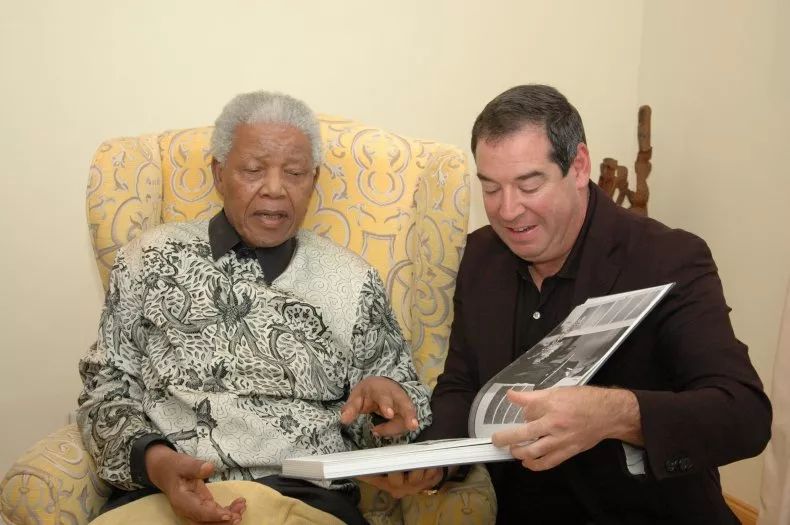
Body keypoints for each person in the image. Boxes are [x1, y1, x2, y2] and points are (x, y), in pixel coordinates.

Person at [364, 85, 771, 524]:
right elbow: (463, 385)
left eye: (528, 185)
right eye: (491, 188)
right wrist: (431, 460)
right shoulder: (481, 256)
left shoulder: (667, 258)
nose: (507, 210)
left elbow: (744, 415)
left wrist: (615, 413)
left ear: (578, 166)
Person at [77, 90, 431, 525]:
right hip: (164, 496)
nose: (275, 189)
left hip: (301, 500)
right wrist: (157, 462)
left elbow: (401, 423)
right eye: (253, 170)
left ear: (314, 180)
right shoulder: (147, 259)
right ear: (219, 174)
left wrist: (384, 406)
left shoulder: (353, 281)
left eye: (295, 173)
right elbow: (105, 389)